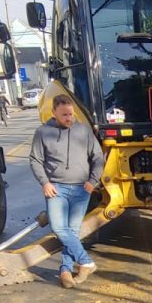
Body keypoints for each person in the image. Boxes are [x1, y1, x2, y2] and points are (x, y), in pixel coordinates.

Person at [29, 95, 104, 288]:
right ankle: (86, 262)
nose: (69, 118)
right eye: (64, 115)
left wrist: (93, 181)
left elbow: (97, 158)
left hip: (82, 189)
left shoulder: (84, 131)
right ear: (54, 113)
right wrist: (45, 182)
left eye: (71, 114)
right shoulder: (43, 133)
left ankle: (65, 270)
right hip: (56, 189)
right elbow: (35, 160)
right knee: (59, 228)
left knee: (73, 231)